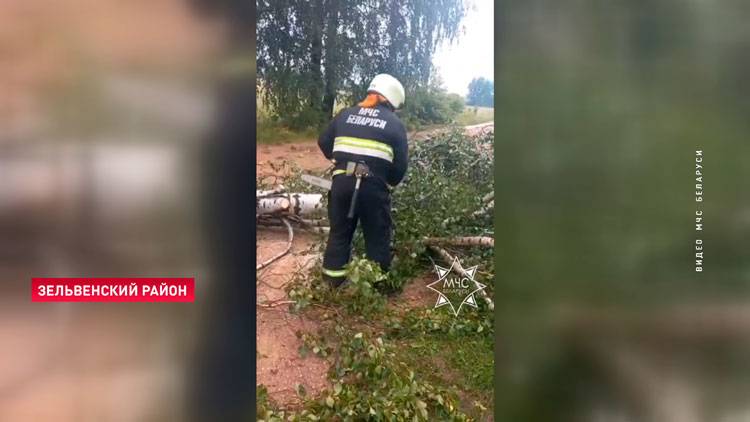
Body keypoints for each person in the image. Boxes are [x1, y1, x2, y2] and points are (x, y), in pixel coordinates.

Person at [317, 74, 408, 287]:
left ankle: (331, 284)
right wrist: (389, 182)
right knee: (377, 236)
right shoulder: (395, 124)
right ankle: (377, 286)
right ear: (392, 99)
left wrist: (338, 161)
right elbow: (400, 166)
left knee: (339, 233)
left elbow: (323, 141)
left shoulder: (345, 115)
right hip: (373, 187)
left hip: (341, 183)